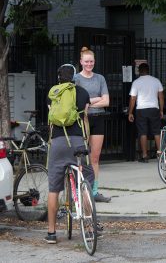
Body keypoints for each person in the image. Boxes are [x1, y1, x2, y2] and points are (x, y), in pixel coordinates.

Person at [45, 64, 94, 244]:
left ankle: (51, 233)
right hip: (77, 141)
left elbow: (51, 119)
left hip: (57, 143)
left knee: (53, 189)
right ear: (74, 76)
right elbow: (85, 119)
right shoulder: (82, 93)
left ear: (58, 77)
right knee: (85, 180)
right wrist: (86, 140)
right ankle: (90, 228)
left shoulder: (53, 93)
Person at [74, 47, 111, 203]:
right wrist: (95, 99)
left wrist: (89, 101)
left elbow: (107, 101)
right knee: (82, 157)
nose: (89, 64)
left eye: (91, 61)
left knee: (94, 158)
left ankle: (94, 191)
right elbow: (77, 103)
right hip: (82, 120)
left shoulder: (100, 78)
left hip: (98, 119)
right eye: (86, 61)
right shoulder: (76, 78)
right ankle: (81, 190)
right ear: (81, 62)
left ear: (94, 62)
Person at [128, 63, 164, 162]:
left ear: (139, 71)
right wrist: (161, 110)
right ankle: (160, 153)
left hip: (141, 109)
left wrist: (130, 112)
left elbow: (133, 98)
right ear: (148, 70)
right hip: (154, 108)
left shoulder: (136, 82)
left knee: (142, 132)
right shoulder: (156, 81)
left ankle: (144, 155)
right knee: (156, 131)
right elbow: (161, 97)